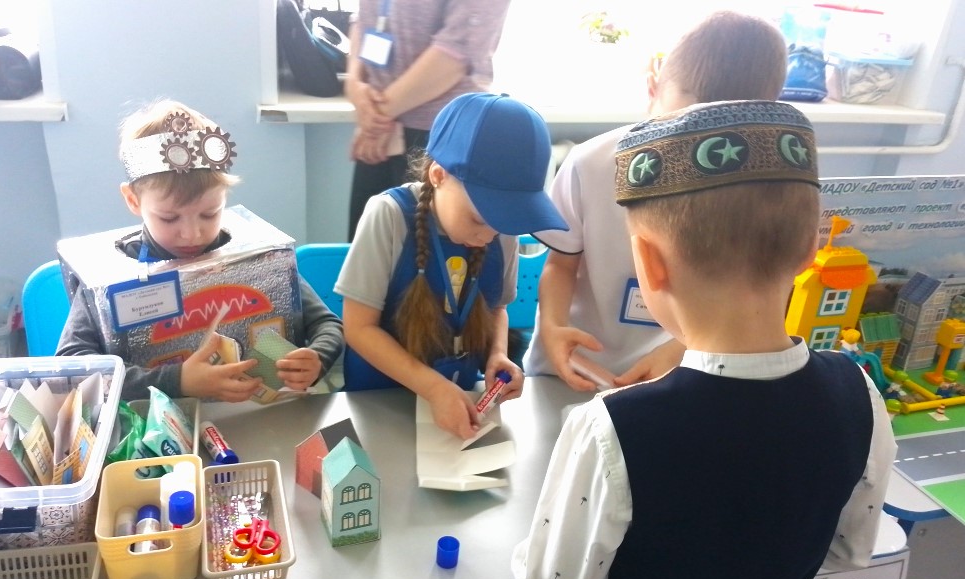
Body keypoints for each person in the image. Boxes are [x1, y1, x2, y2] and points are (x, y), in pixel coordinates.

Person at [512, 100, 897, 579]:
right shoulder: (859, 394)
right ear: (808, 248)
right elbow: (849, 551)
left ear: (649, 262)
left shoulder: (611, 425)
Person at [524, 11, 789, 391]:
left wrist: (681, 349)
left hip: (686, 368)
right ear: (652, 89)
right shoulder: (590, 164)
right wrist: (553, 328)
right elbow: (560, 265)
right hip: (576, 365)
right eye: (679, 126)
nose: (694, 152)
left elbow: (749, 295)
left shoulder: (762, 188)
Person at [56, 99, 344, 402]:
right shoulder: (109, 277)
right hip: (156, 426)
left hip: (262, 415)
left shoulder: (259, 261)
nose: (192, 234)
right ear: (133, 200)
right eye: (169, 218)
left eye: (209, 214)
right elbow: (73, 367)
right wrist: (176, 381)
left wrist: (317, 357)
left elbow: (328, 325)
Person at [335, 92, 568, 439]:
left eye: (500, 224)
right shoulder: (389, 215)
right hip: (379, 404)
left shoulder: (501, 231)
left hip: (459, 404)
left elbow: (497, 309)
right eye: (478, 219)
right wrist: (432, 388)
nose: (488, 236)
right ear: (438, 175)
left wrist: (498, 354)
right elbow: (358, 329)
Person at [344, 0, 512, 240]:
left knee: (438, 256)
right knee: (363, 249)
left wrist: (377, 116)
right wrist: (353, 82)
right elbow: (363, 16)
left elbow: (459, 47)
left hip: (439, 132)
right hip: (377, 123)